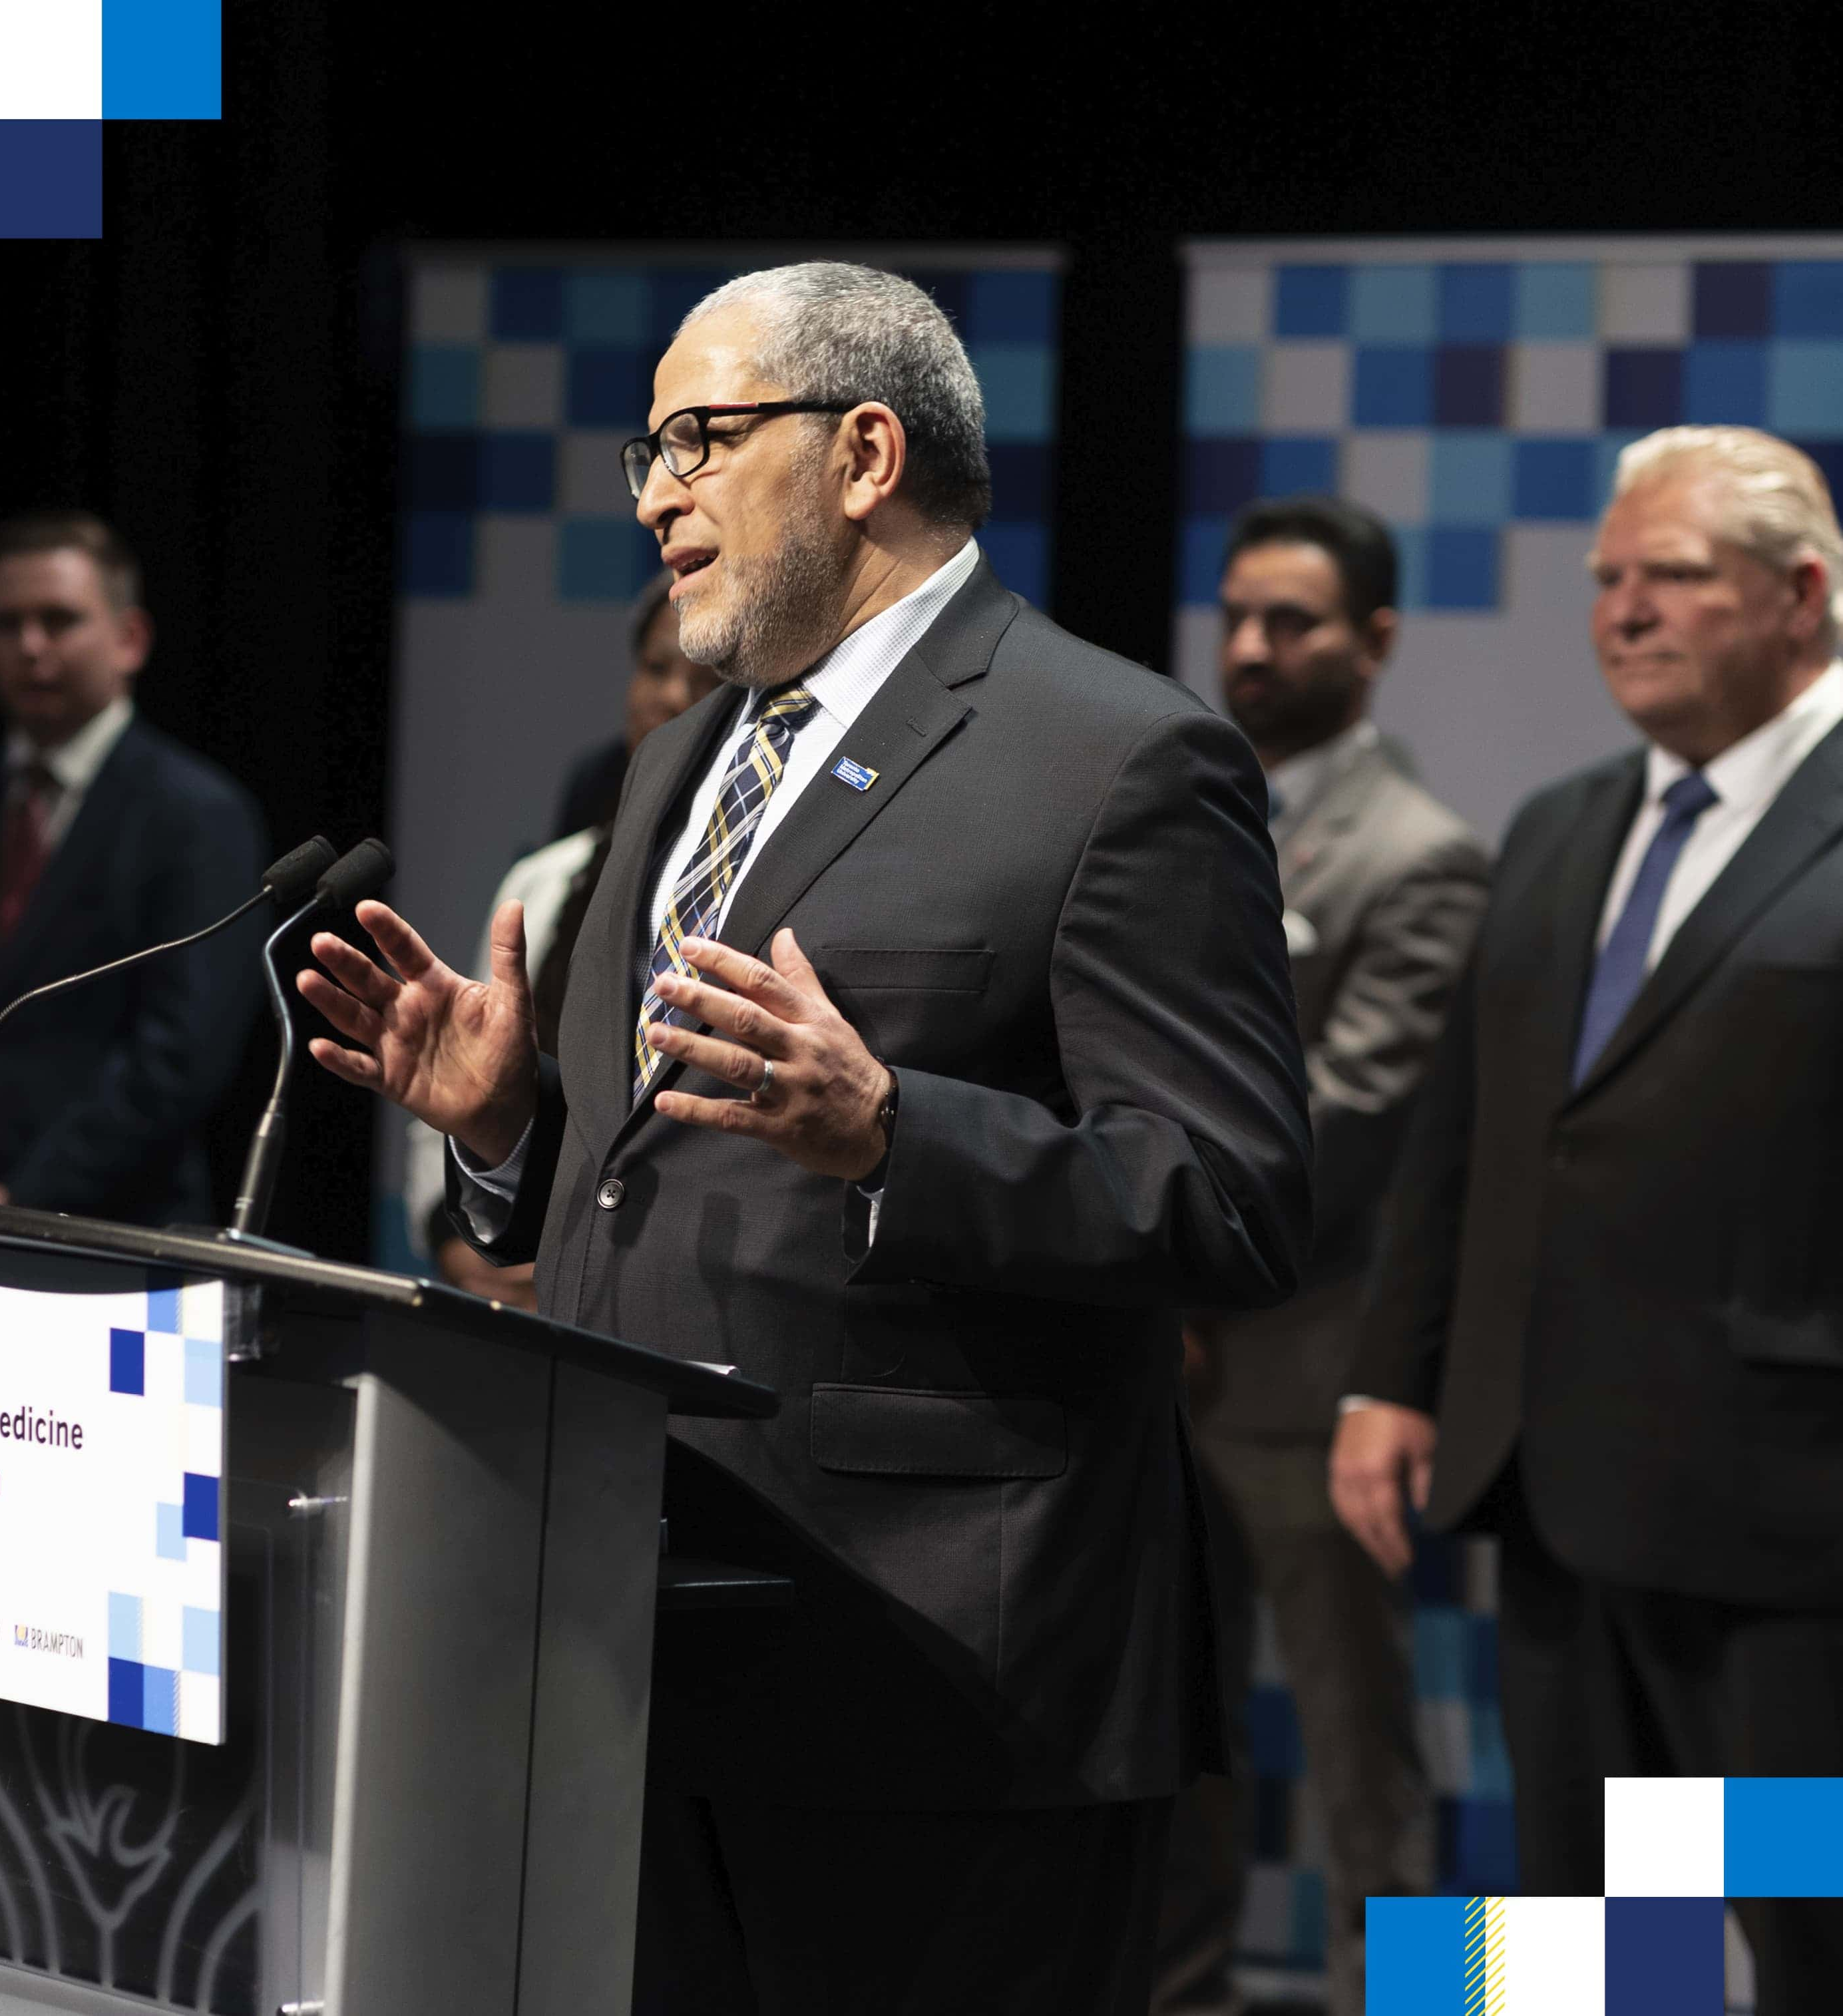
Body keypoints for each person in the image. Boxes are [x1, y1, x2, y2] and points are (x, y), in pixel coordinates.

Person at [296, 262, 1311, 2015]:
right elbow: (650, 1178)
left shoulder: (1122, 757)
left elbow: (1231, 1199)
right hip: (641, 1631)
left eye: (696, 437)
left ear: (861, 450)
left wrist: (898, 1135)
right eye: (646, 452)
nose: (653, 494)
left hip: (939, 1683)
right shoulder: (676, 762)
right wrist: (508, 1130)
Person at [1332, 425, 1843, 2011]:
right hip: (1548, 1490)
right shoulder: (1560, 820)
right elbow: (1468, 1133)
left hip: (1787, 1532)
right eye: (1607, 581)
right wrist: (1389, 1373)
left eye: (1673, 576)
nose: (1624, 611)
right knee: (1581, 1943)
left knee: (1797, 1934)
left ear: (1805, 592)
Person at [1153, 499, 1487, 2016]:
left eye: (1291, 620)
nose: (1251, 647)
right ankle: (1179, 1993)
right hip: (1163, 1353)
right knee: (1173, 1725)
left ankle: (1405, 2001)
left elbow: (1350, 1121)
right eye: (1236, 613)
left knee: (1364, 1751)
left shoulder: (1423, 854)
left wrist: (1167, 1259)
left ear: (1377, 640)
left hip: (1308, 1360)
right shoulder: (1187, 813)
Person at [0, 512, 268, 1225]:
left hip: (120, 1230)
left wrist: (27, 1195)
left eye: (59, 620)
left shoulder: (197, 812)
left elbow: (181, 1055)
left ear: (129, 638)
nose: (31, 646)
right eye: (5, 624)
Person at [405, 568, 717, 1305]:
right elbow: (469, 1065)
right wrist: (455, 1240)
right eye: (656, 668)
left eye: (706, 680)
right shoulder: (546, 878)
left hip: (647, 1280)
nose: (672, 698)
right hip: (504, 1275)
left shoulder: (735, 891)